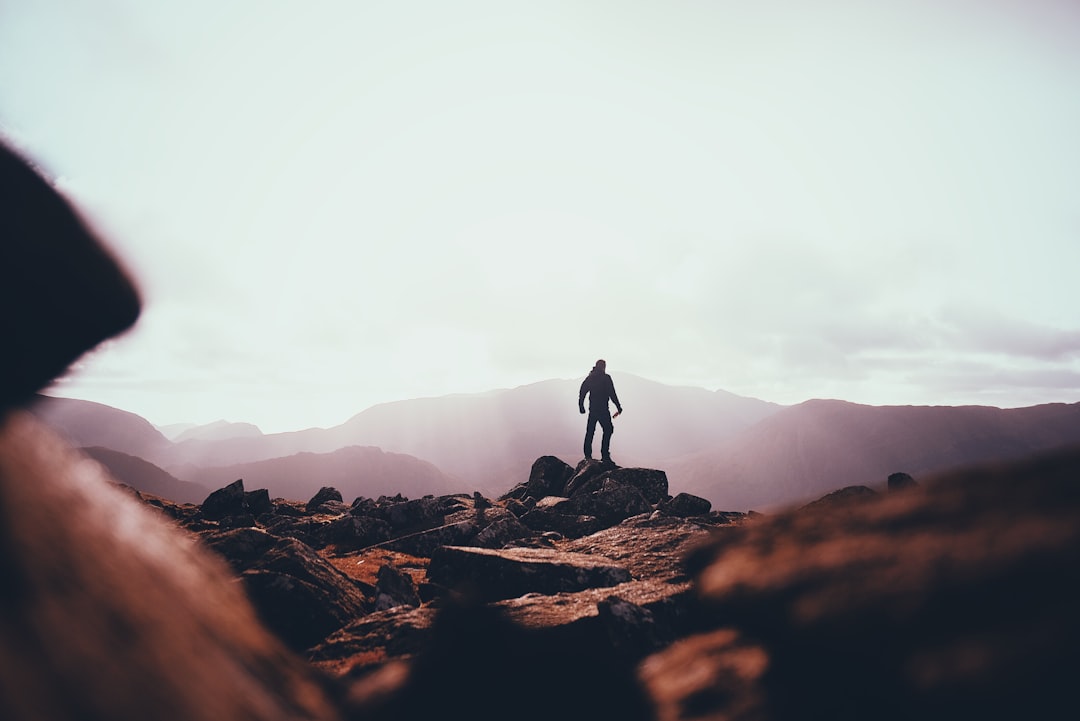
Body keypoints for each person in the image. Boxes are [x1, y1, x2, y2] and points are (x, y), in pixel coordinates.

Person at [578, 359, 622, 463]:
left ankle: (588, 455)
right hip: (603, 410)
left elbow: (582, 391)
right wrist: (618, 407)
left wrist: (581, 405)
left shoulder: (590, 378)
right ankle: (605, 455)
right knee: (608, 429)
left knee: (590, 432)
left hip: (593, 410)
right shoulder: (606, 378)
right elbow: (612, 393)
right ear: (603, 367)